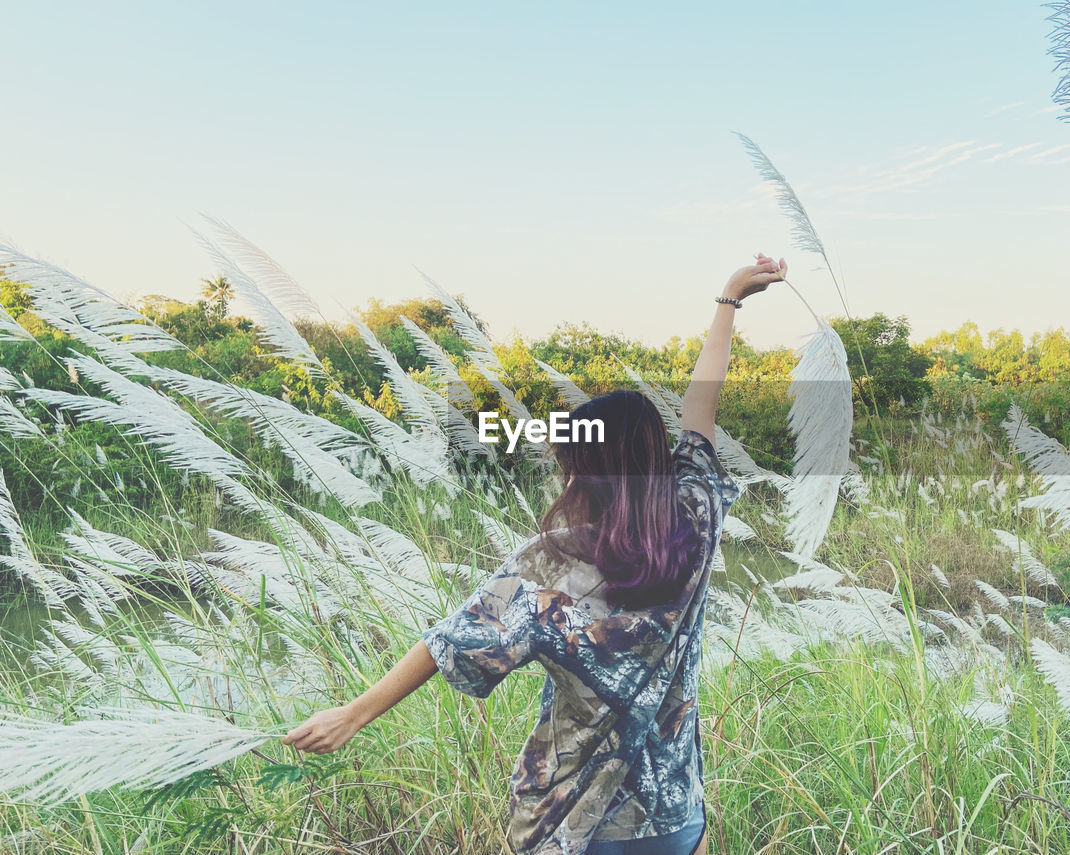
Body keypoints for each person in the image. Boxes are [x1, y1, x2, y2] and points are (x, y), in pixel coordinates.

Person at [282, 253, 787, 855]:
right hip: (672, 812)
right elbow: (703, 405)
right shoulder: (696, 518)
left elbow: (448, 643)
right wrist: (728, 301)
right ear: (656, 456)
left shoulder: (546, 564)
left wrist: (354, 714)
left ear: (583, 468)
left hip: (569, 820)